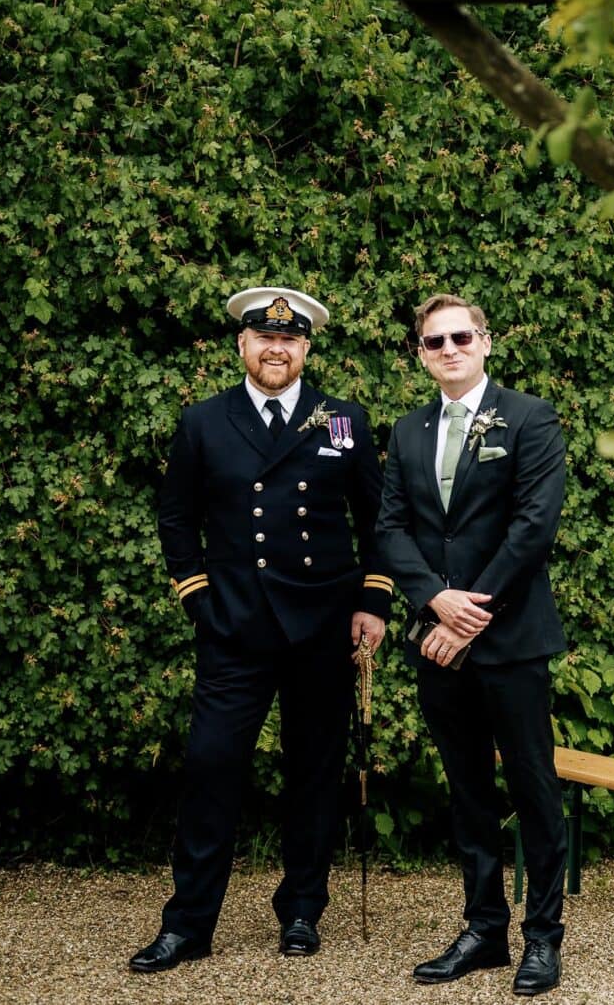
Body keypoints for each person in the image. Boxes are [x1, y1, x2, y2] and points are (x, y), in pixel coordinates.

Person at [130, 287, 392, 973]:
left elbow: (380, 520)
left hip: (323, 628)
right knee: (212, 767)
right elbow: (175, 519)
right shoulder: (203, 422)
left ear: (306, 349)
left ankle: (303, 909)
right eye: (264, 338)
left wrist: (376, 600)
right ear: (242, 346)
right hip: (236, 628)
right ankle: (189, 924)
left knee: (313, 774)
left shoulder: (343, 421)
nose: (278, 349)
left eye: (292, 340)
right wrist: (199, 600)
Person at [376, 293, 567, 996]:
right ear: (421, 355)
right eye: (434, 342)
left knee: (534, 789)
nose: (449, 349)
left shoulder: (529, 418)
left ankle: (542, 938)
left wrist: (468, 614)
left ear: (486, 343)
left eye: (461, 337)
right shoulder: (407, 431)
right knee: (467, 793)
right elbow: (390, 529)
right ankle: (485, 928)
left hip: (510, 641)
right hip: (438, 639)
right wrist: (433, 601)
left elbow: (533, 527)